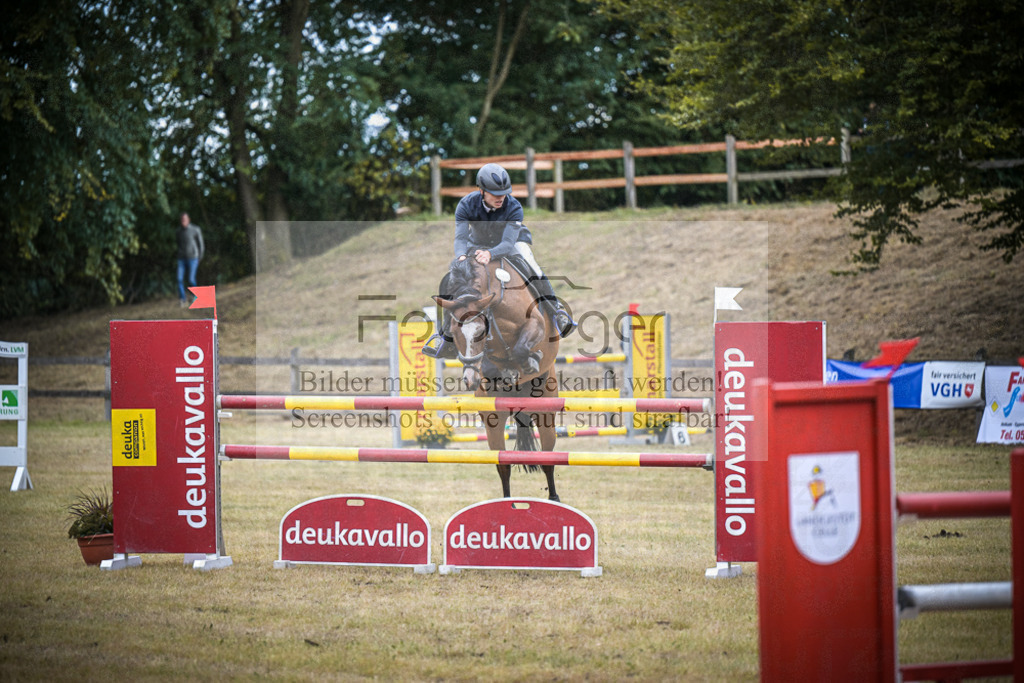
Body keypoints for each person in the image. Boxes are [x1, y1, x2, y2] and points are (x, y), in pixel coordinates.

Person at [422, 163, 574, 359]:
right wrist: (460, 255)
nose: (501, 197)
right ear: (482, 190)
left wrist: (490, 254)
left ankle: (557, 312)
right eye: (495, 193)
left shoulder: (514, 207)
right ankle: (445, 337)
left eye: (504, 192)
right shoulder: (466, 205)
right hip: (476, 243)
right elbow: (460, 238)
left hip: (511, 243)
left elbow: (508, 242)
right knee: (451, 277)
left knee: (532, 265)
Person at [176, 212, 204, 307]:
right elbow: (178, 243)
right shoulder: (178, 232)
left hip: (193, 258)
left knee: (191, 279)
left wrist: (200, 257)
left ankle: (194, 296)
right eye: (182, 220)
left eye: (185, 219)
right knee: (179, 279)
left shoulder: (195, 229)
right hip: (181, 259)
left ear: (189, 220)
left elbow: (201, 244)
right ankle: (182, 300)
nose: (183, 221)